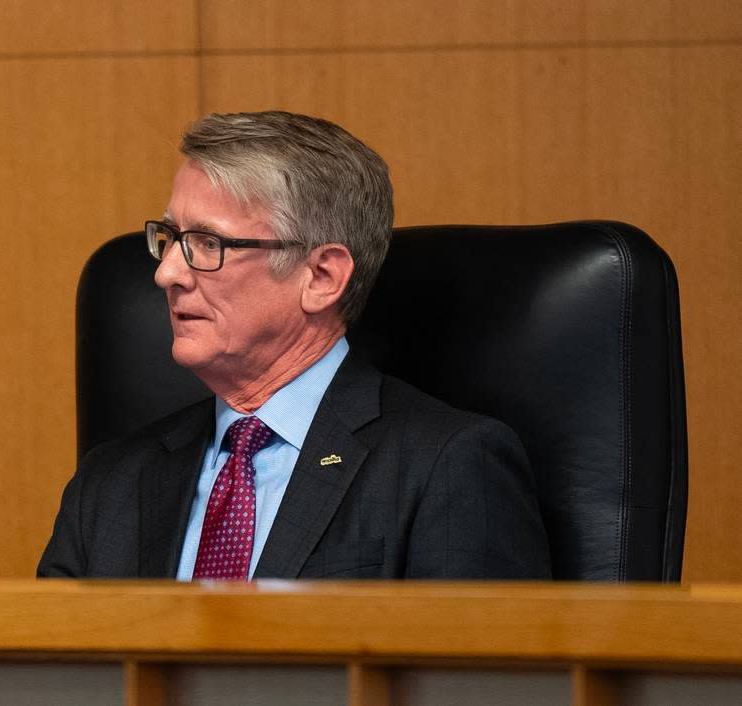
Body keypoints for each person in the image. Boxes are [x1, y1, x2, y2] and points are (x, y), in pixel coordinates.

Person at [39, 111, 551, 580]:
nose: (166, 273)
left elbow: (477, 680)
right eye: (170, 238)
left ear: (322, 277)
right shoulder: (110, 483)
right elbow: (50, 677)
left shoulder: (446, 463)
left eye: (208, 244)